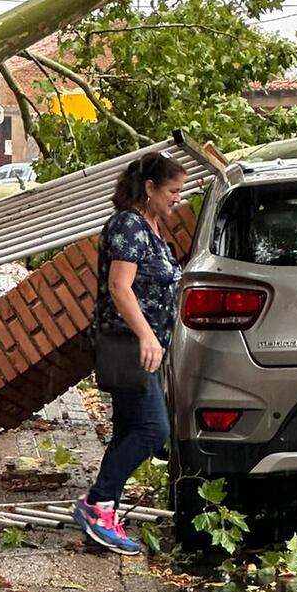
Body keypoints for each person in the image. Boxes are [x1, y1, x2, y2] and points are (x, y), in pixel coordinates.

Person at [73, 152, 186, 555]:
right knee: (153, 430)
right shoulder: (128, 226)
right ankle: (97, 503)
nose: (178, 197)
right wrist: (146, 336)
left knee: (127, 430)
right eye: (172, 190)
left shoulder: (152, 227)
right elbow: (120, 287)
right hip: (128, 345)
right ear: (150, 188)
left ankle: (104, 517)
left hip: (144, 347)